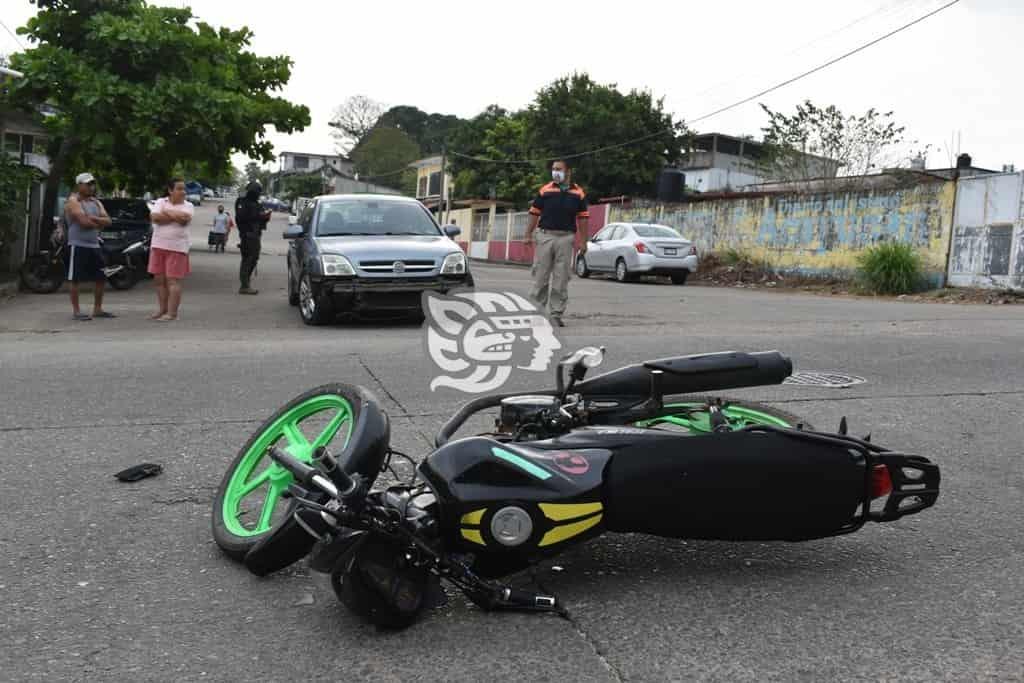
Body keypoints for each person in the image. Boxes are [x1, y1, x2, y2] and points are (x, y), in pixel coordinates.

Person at [524, 159, 589, 327]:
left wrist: (583, 241)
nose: (555, 172)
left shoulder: (578, 193)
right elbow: (534, 213)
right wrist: (527, 234)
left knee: (561, 278)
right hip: (545, 236)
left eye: (559, 169)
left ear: (568, 171)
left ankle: (556, 314)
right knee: (541, 277)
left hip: (566, 239)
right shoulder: (545, 190)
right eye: (553, 169)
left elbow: (583, 218)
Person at [63, 172, 115, 321]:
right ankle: (76, 311)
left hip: (94, 245)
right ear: (79, 185)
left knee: (100, 277)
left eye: (92, 184)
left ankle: (97, 309)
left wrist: (93, 218)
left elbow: (109, 221)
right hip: (77, 244)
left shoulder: (96, 202)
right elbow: (83, 223)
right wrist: (98, 222)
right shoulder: (73, 201)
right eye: (88, 184)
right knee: (75, 279)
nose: (91, 187)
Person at [147, 178, 194, 321]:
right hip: (158, 245)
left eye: (184, 189)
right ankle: (162, 310)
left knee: (172, 281)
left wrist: (166, 213)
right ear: (170, 190)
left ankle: (172, 314)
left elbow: (184, 220)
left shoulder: (189, 205)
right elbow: (154, 217)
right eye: (179, 189)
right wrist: (174, 215)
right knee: (159, 280)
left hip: (177, 247)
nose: (183, 192)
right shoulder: (161, 202)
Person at [235, 181, 272, 295]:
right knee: (248, 259)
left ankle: (246, 283)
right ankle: (244, 286)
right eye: (257, 191)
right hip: (247, 235)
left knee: (254, 258)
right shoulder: (242, 202)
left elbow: (260, 217)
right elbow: (241, 218)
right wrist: (259, 216)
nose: (258, 194)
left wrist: (266, 216)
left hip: (256, 235)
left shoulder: (257, 203)